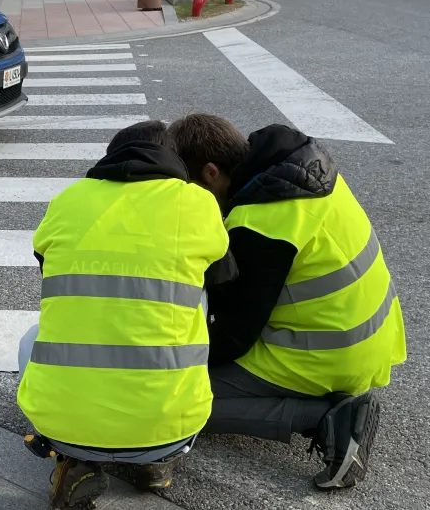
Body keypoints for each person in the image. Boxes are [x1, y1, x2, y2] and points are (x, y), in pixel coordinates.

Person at [166, 114, 407, 490]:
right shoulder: (302, 171)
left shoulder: (260, 220)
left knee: (170, 394)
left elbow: (233, 337)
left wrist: (168, 356)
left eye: (190, 188)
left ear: (211, 172)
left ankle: (323, 417)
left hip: (322, 357)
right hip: (370, 337)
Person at [18, 120, 234, 509]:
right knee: (193, 300)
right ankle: (158, 462)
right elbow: (224, 278)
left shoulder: (70, 199)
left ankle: (75, 460)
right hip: (172, 427)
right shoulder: (196, 202)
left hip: (63, 426)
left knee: (33, 338)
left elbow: (46, 265)